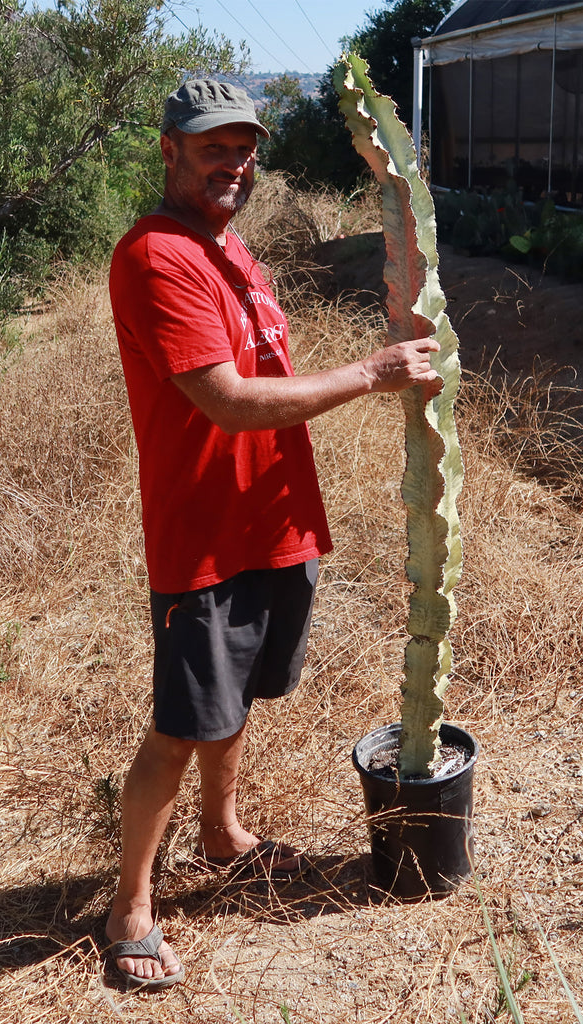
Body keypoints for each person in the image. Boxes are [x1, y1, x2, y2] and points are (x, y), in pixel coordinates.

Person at [104, 79, 440, 990]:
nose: (235, 163)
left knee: (237, 699)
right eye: (215, 147)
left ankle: (221, 832)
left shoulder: (228, 246)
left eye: (246, 147)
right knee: (180, 725)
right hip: (204, 534)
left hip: (272, 521)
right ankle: (130, 905)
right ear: (170, 148)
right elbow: (227, 400)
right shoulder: (157, 256)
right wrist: (374, 373)